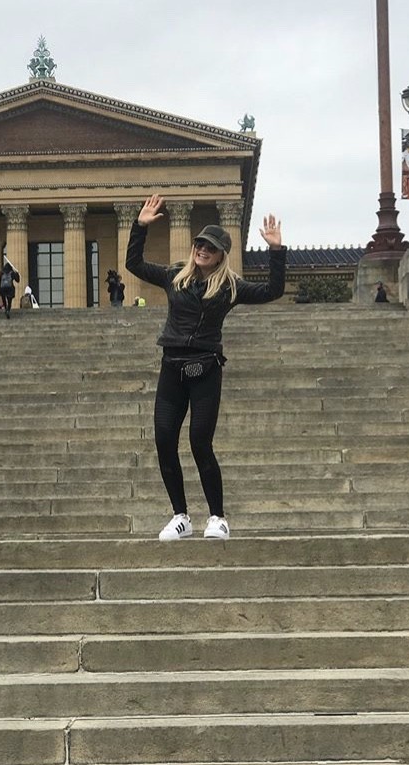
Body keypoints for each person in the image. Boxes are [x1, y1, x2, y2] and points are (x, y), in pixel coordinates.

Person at [126, 193, 286, 541]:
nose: (202, 250)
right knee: (165, 441)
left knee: (200, 442)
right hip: (172, 369)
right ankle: (180, 516)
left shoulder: (230, 287)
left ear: (220, 255)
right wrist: (140, 227)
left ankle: (217, 516)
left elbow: (273, 290)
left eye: (210, 247)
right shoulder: (174, 277)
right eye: (199, 244)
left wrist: (276, 251)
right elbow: (134, 265)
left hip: (206, 371)